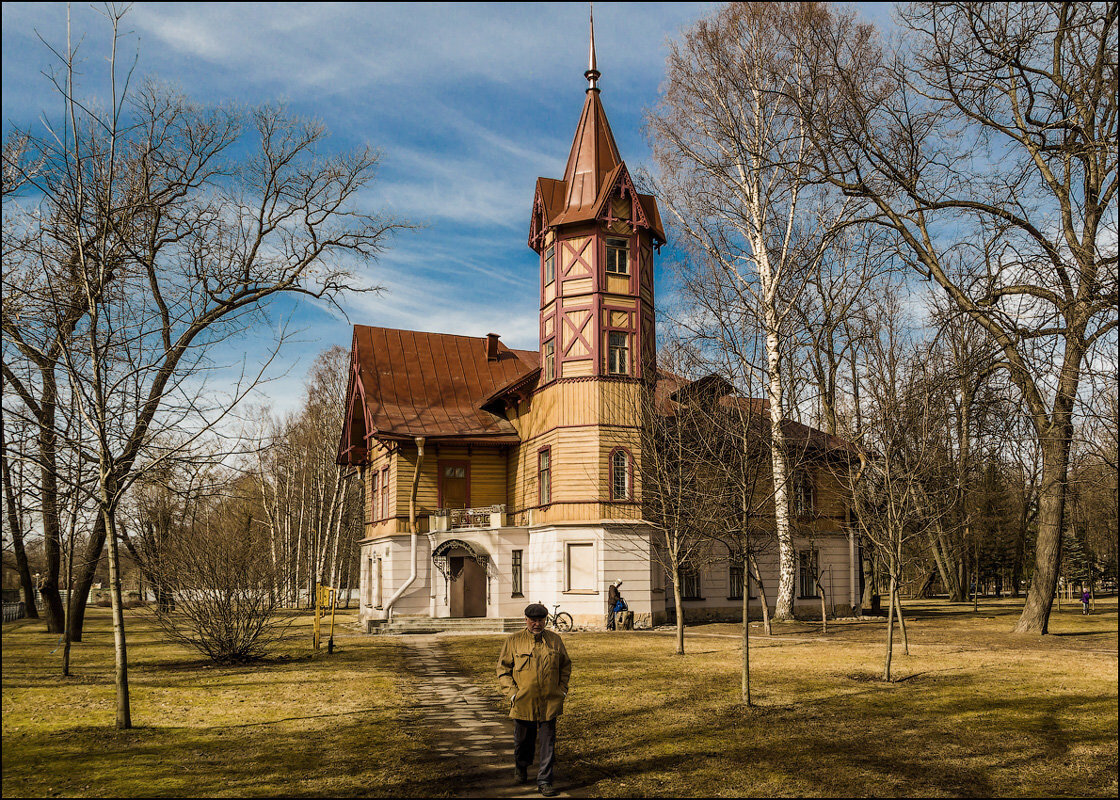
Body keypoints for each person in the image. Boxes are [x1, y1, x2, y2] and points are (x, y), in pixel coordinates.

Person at [497, 603, 572, 797]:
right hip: (524, 701)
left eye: (540, 620)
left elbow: (565, 667)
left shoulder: (555, 641)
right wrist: (513, 693)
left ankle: (545, 780)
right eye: (533, 620)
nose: (537, 624)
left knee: (548, 743)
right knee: (523, 741)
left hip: (550, 702)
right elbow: (503, 670)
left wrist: (562, 690)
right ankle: (521, 766)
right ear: (526, 620)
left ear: (545, 620)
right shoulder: (514, 641)